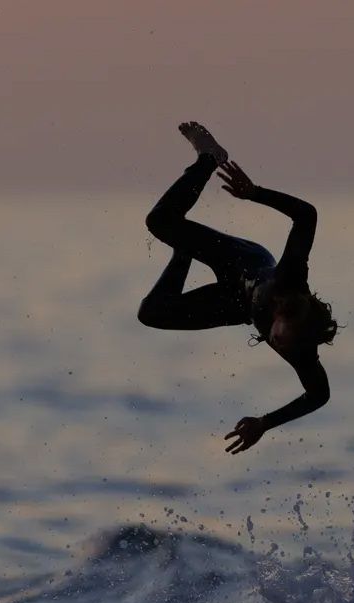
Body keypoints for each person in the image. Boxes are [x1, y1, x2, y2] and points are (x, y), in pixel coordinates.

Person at [138, 122, 337, 453]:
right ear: (284, 313)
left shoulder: (301, 351)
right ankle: (209, 157)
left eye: (280, 343)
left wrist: (264, 423)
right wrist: (254, 193)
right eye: (279, 334)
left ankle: (184, 250)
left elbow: (320, 395)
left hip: (236, 304)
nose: (276, 342)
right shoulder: (291, 279)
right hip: (243, 261)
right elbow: (307, 215)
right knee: (159, 222)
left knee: (152, 313)